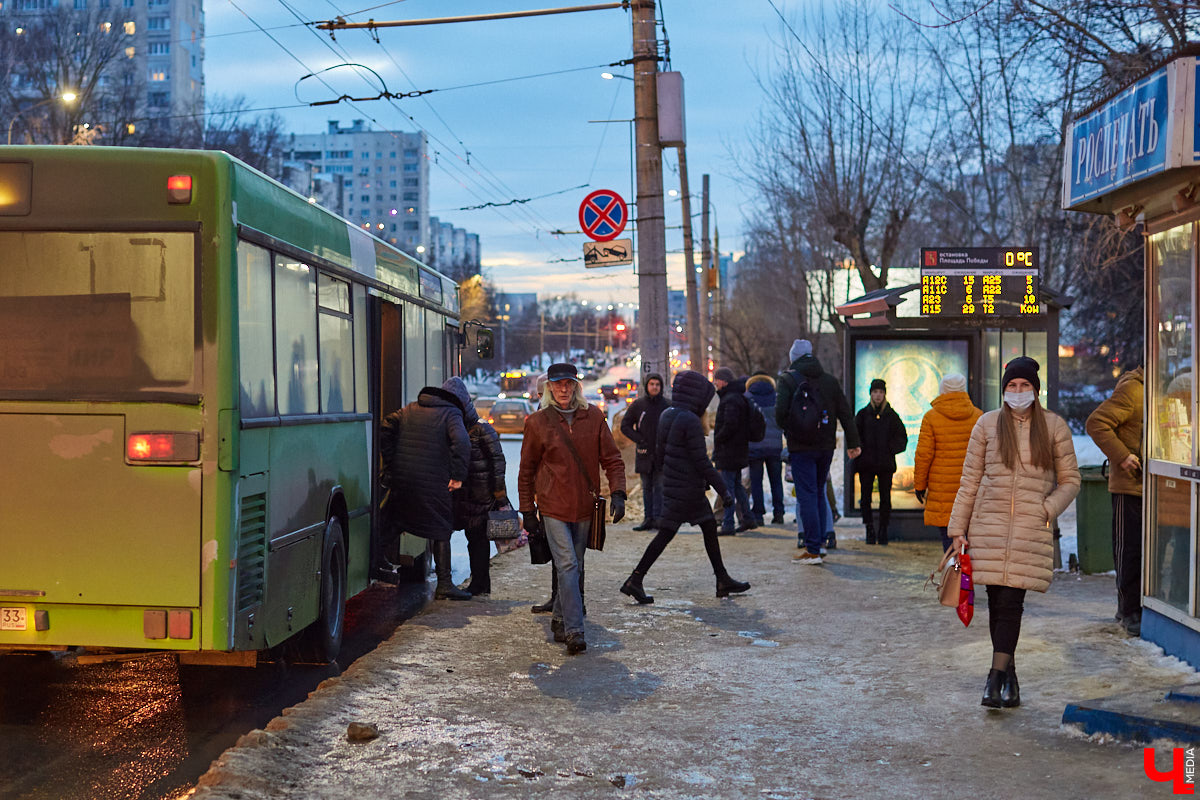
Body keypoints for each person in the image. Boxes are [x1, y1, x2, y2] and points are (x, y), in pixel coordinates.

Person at [948, 356, 1080, 709]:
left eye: (1024, 386)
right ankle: (1010, 676)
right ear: (1003, 390)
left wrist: (1046, 509)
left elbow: (1070, 481)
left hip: (1028, 529)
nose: (1018, 392)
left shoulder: (1053, 427)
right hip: (988, 527)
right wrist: (957, 527)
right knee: (998, 603)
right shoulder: (987, 425)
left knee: (1011, 603)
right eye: (1012, 386)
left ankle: (994, 678)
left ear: (1035, 390)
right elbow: (970, 481)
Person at [519, 363, 626, 655]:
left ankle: (558, 617)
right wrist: (528, 510)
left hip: (584, 507)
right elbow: (526, 471)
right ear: (550, 388)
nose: (563, 389)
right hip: (553, 506)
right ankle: (574, 630)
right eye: (558, 384)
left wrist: (618, 492)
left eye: (568, 383)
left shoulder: (593, 417)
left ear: (576, 385)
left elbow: (612, 458)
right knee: (567, 565)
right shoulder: (537, 422)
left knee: (576, 567)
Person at [620, 370, 751, 604]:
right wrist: (724, 491)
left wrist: (671, 477)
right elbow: (702, 463)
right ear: (697, 396)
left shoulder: (668, 414)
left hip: (677, 485)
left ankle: (721, 579)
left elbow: (661, 454)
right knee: (671, 533)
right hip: (687, 489)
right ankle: (635, 580)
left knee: (703, 528)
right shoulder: (689, 420)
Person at [380, 377, 472, 601]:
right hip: (434, 483)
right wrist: (458, 477)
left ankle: (375, 560)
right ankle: (445, 584)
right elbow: (462, 442)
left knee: (394, 520)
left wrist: (392, 462)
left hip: (404, 479)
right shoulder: (452, 414)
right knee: (441, 529)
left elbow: (385, 427)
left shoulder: (409, 409)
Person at [776, 339, 860, 564]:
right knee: (819, 490)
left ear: (794, 357)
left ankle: (812, 549)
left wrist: (792, 431)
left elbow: (779, 415)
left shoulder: (787, 380)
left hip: (801, 447)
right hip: (825, 446)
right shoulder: (829, 381)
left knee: (807, 496)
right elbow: (845, 413)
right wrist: (853, 442)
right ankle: (821, 542)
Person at [1085, 364, 1144, 636]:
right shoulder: (1133, 389)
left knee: (1148, 552)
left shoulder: (1162, 390)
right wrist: (1122, 456)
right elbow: (1096, 423)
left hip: (1158, 487)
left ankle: (1141, 606)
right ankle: (1128, 610)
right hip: (1130, 485)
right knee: (1129, 549)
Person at [449, 379, 508, 597]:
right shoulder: (455, 429)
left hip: (481, 499)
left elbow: (498, 464)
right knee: (473, 540)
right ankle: (481, 583)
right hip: (464, 498)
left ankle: (480, 584)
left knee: (478, 541)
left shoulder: (482, 430)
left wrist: (500, 497)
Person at [912, 373, 983, 552]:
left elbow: (923, 455)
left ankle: (955, 577)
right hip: (972, 491)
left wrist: (920, 486)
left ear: (942, 389)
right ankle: (968, 578)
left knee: (949, 542)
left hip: (942, 492)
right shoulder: (978, 416)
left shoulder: (931, 417)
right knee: (970, 544)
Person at [854, 378, 908, 545]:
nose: (878, 395)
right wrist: (861, 451)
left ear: (885, 394)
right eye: (875, 392)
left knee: (885, 498)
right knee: (865, 498)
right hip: (867, 465)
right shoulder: (863, 415)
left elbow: (902, 438)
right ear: (870, 394)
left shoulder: (891, 415)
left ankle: (883, 530)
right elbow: (854, 437)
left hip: (885, 464)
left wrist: (890, 449)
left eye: (880, 392)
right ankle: (869, 529)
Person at [620, 372, 668, 531]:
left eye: (657, 385)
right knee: (646, 487)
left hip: (662, 454)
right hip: (644, 453)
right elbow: (625, 426)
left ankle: (660, 519)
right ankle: (648, 518)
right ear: (647, 386)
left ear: (661, 387)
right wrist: (639, 439)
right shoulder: (638, 405)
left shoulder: (667, 405)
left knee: (660, 486)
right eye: (652, 384)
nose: (654, 387)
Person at [713, 366, 757, 534]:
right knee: (737, 486)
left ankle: (728, 523)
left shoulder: (730, 399)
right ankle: (748, 518)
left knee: (728, 488)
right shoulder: (738, 397)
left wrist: (719, 438)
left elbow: (730, 425)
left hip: (729, 451)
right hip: (738, 450)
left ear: (724, 381)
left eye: (717, 379)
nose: (715, 383)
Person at [746, 373, 786, 526]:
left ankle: (758, 514)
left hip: (754, 445)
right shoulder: (777, 397)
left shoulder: (748, 397)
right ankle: (778, 513)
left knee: (756, 482)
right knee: (776, 481)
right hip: (774, 446)